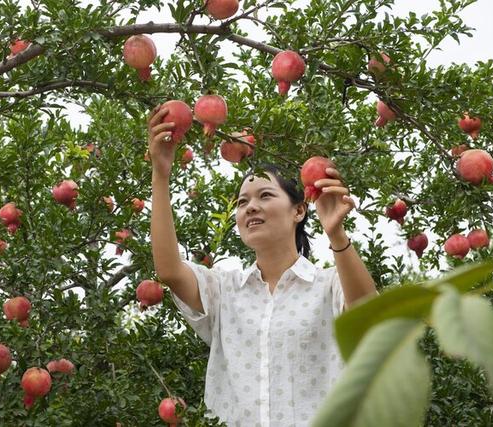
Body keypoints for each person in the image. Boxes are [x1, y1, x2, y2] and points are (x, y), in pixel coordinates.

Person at [147, 105, 378, 427]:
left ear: (298, 211)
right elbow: (169, 271)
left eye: (265, 195)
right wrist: (161, 173)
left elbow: (369, 314)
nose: (251, 207)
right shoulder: (224, 292)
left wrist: (336, 233)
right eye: (243, 202)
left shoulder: (329, 285)